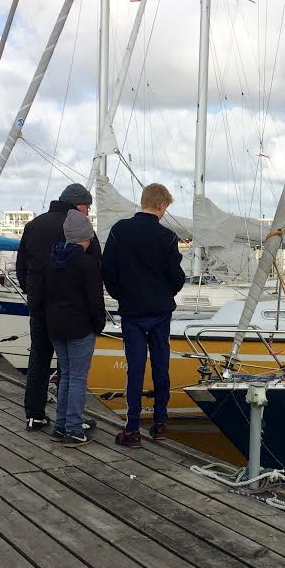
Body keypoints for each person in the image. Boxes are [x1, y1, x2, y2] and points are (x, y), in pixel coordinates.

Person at [102, 183, 186, 448]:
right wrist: (165, 292)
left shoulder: (119, 231)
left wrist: (121, 295)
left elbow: (108, 270)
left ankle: (133, 428)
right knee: (161, 366)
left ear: (144, 201)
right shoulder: (168, 238)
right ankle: (160, 424)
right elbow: (177, 277)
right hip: (160, 311)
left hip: (133, 311)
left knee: (135, 369)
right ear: (161, 205)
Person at [16, 183, 101, 431]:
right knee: (71, 369)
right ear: (79, 205)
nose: (87, 212)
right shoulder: (78, 226)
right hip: (73, 311)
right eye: (87, 206)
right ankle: (70, 420)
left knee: (39, 359)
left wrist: (31, 292)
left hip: (40, 306)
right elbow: (94, 266)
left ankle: (35, 414)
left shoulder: (33, 226)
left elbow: (21, 266)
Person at [45, 210, 106, 446]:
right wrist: (98, 324)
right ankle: (72, 428)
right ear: (86, 237)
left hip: (55, 325)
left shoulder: (52, 260)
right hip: (79, 326)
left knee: (67, 376)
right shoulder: (87, 264)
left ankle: (61, 425)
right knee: (78, 378)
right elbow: (94, 299)